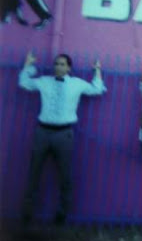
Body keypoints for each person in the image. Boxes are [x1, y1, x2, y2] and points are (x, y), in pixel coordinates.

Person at [18, 51, 107, 225]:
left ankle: (63, 212)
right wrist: (28, 65)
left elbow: (97, 89)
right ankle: (27, 212)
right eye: (56, 63)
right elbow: (24, 83)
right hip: (42, 132)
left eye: (62, 64)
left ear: (69, 68)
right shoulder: (44, 81)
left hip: (64, 134)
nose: (58, 67)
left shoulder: (76, 84)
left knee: (65, 175)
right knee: (34, 172)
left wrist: (97, 70)